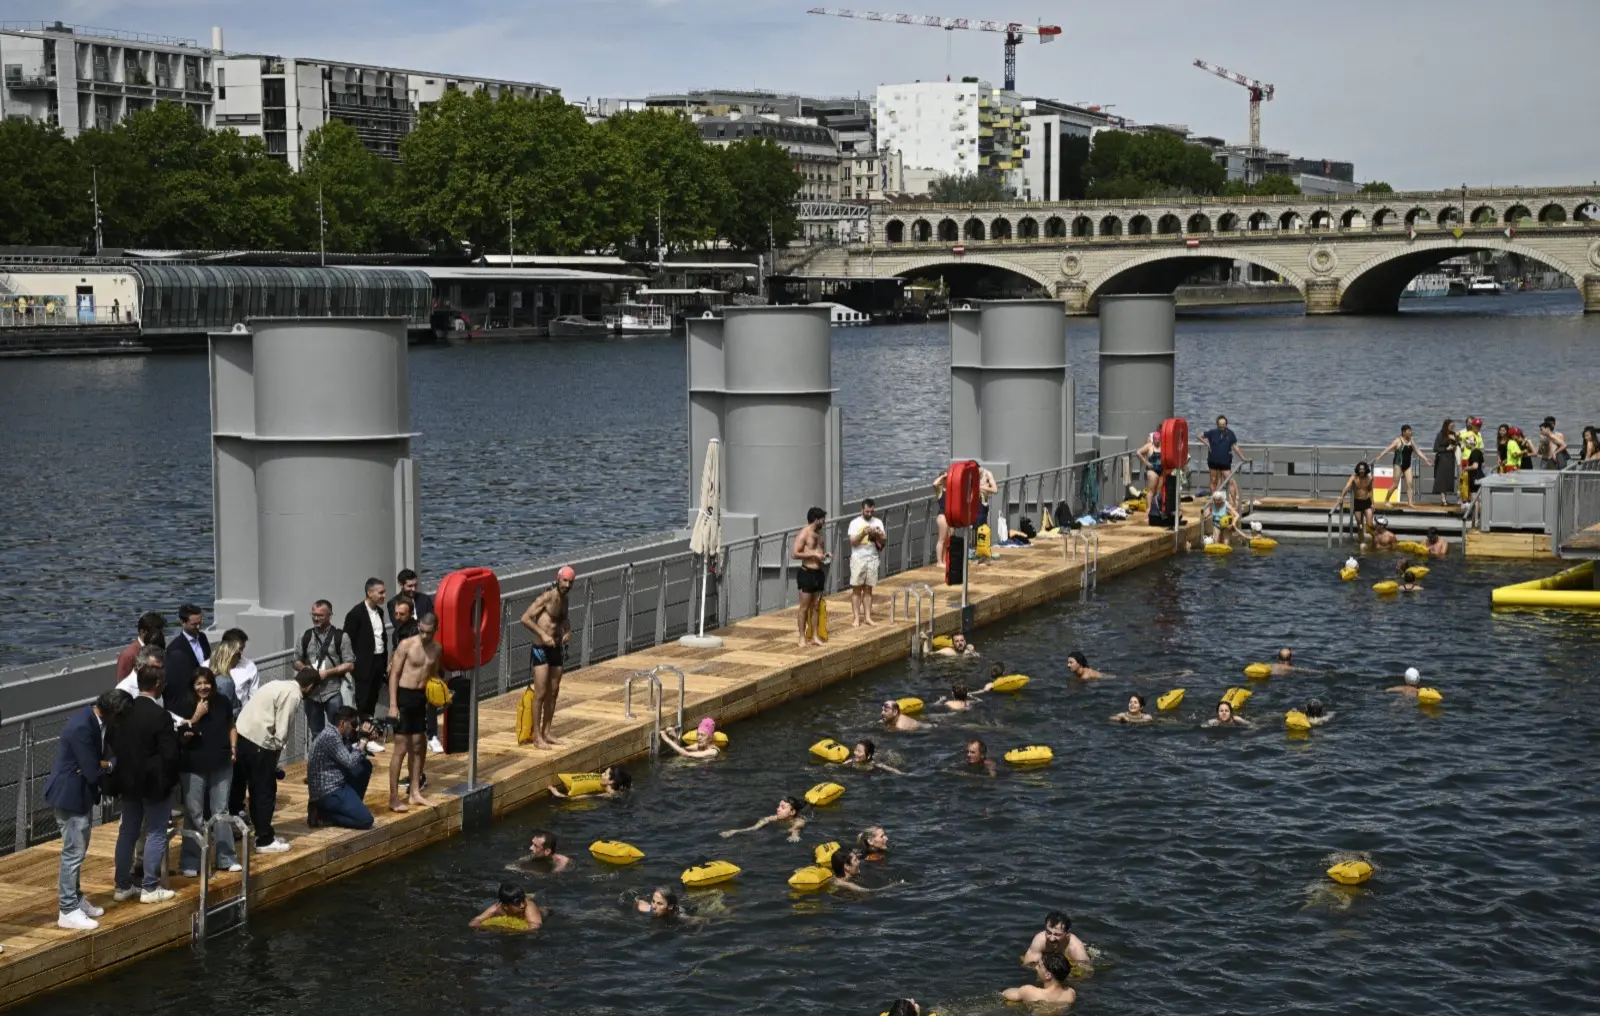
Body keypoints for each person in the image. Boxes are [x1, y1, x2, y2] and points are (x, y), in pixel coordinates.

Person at [45, 689, 131, 930]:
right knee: (73, 854)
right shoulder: (82, 726)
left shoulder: (93, 719)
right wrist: (111, 764)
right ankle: (67, 909)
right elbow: (93, 771)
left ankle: (76, 898)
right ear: (110, 712)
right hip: (70, 797)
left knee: (77, 852)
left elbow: (92, 767)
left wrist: (96, 764)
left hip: (80, 795)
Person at [110, 662, 181, 904]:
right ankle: (150, 887)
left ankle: (122, 885)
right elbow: (170, 754)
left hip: (128, 782)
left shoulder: (125, 711)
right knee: (156, 832)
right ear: (159, 685)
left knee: (127, 832)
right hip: (154, 784)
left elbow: (115, 743)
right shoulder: (160, 715)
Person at [233, 668, 319, 855]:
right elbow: (281, 731)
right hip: (260, 743)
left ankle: (262, 833)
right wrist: (274, 759)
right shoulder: (294, 695)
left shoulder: (277, 684)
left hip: (241, 737)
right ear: (310, 686)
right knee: (264, 790)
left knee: (248, 789)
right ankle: (264, 840)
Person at [177, 669, 240, 877]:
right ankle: (190, 861)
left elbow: (231, 725)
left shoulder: (222, 702)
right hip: (193, 765)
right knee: (194, 813)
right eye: (198, 683)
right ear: (193, 686)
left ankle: (226, 858)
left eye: (206, 683)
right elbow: (181, 736)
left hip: (221, 762)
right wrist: (196, 716)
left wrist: (233, 749)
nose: (203, 687)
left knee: (221, 810)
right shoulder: (184, 704)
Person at [387, 612, 440, 813]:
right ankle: (393, 797)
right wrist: (393, 705)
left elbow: (433, 676)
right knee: (401, 748)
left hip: (420, 698)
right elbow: (394, 675)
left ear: (436, 630)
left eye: (429, 632)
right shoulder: (406, 645)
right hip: (403, 697)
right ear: (419, 627)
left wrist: (441, 693)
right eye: (422, 631)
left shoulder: (437, 649)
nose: (425, 635)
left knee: (419, 746)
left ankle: (415, 792)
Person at [520, 566, 575, 749]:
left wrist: (568, 631)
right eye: (565, 581)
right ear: (558, 579)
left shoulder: (565, 600)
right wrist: (543, 634)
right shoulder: (547, 597)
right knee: (541, 693)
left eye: (570, 582)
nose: (567, 585)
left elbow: (563, 620)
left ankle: (547, 732)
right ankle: (536, 736)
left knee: (554, 691)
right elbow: (525, 618)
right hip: (541, 648)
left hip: (557, 648)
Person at [295, 599, 357, 742]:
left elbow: (350, 664)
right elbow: (296, 660)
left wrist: (327, 673)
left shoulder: (341, 636)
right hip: (311, 693)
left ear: (330, 615)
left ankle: (338, 760)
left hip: (333, 691)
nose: (316, 618)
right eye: (314, 614)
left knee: (338, 731)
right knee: (316, 733)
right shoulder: (305, 636)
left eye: (320, 615)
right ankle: (319, 762)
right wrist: (305, 669)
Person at [305, 706, 375, 830]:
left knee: (364, 766)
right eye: (352, 724)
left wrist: (365, 739)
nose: (354, 728)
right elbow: (349, 762)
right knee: (366, 820)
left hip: (336, 785)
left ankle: (350, 808)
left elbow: (352, 754)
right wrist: (363, 740)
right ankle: (325, 816)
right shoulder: (330, 737)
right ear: (343, 723)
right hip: (329, 792)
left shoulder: (335, 734)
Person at [343, 578, 393, 723]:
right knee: (363, 702)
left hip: (378, 663)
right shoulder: (356, 613)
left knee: (373, 699)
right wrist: (354, 664)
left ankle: (369, 732)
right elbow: (347, 641)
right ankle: (361, 736)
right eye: (381, 592)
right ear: (369, 593)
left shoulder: (380, 612)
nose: (384, 595)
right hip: (363, 666)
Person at [163, 603, 212, 721]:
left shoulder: (203, 638)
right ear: (182, 622)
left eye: (200, 623)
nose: (198, 627)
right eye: (194, 624)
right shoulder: (175, 648)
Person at [791, 507, 829, 648]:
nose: (824, 522)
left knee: (816, 606)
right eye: (822, 519)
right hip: (806, 573)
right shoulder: (804, 533)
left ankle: (814, 636)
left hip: (818, 573)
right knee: (804, 607)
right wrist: (813, 554)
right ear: (816, 519)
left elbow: (818, 553)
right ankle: (802, 637)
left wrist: (823, 556)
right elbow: (795, 553)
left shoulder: (819, 535)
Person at [847, 498, 887, 627]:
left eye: (871, 511)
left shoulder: (878, 522)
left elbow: (884, 541)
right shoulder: (855, 523)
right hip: (859, 558)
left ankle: (868, 617)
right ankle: (856, 618)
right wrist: (863, 533)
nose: (869, 514)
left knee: (869, 589)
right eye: (867, 511)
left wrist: (878, 534)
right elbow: (853, 542)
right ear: (862, 510)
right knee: (857, 589)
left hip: (873, 558)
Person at [1375, 425, 1431, 507]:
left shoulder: (1411, 440)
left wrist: (1425, 459)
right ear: (1403, 432)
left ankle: (1410, 502)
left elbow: (1417, 450)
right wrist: (1380, 455)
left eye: (1411, 431)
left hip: (1407, 465)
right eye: (1408, 431)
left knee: (1410, 484)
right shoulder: (1398, 440)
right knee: (1395, 485)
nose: (1410, 432)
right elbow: (1389, 448)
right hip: (1398, 464)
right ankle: (1386, 501)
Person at [208, 628, 257, 717]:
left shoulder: (249, 666)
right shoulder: (207, 666)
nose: (241, 653)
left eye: (243, 648)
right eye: (239, 650)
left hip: (242, 717)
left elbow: (254, 695)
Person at [1202, 414, 1249, 503]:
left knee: (1230, 481)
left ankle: (1234, 502)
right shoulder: (1212, 432)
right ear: (1217, 424)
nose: (1222, 426)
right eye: (1220, 425)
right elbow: (1200, 436)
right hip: (1213, 461)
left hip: (1225, 462)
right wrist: (1207, 443)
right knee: (1213, 481)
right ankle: (1213, 501)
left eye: (1223, 424)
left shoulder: (1230, 434)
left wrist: (1243, 457)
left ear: (1226, 424)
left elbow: (1235, 447)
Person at [1023, 910, 1094, 969]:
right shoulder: (1040, 940)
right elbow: (1028, 964)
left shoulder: (1075, 948)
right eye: (1048, 932)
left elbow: (1086, 974)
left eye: (1057, 934)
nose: (1051, 938)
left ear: (1067, 933)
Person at [720, 796, 806, 841]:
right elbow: (754, 828)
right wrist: (735, 831)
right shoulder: (774, 818)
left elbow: (795, 828)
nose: (778, 809)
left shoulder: (799, 821)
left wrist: (794, 835)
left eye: (782, 807)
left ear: (792, 812)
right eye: (778, 806)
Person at [1003, 953, 1077, 1005]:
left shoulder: (1029, 991)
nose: (1036, 968)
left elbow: (1005, 994)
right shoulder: (1071, 994)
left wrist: (1020, 992)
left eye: (1039, 966)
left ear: (1048, 975)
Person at [469, 882, 543, 931]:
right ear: (505, 906)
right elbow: (473, 923)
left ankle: (527, 896)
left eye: (523, 901)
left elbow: (535, 926)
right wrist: (493, 928)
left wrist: (511, 930)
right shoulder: (496, 909)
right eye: (517, 903)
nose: (522, 905)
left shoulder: (529, 907)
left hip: (542, 911)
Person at [116, 611, 165, 682]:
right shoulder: (128, 655)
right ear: (142, 632)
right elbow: (122, 683)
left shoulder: (159, 648)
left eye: (161, 632)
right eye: (155, 632)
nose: (159, 635)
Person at [548, 764, 632, 799]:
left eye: (605, 774)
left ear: (611, 782)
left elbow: (576, 798)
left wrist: (557, 794)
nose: (601, 774)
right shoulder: (620, 792)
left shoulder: (607, 795)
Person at [1339, 461, 1377, 537]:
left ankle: (1375, 537)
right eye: (1360, 469)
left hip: (1367, 502)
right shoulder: (1354, 477)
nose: (1361, 471)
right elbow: (1347, 487)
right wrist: (1342, 496)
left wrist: (1373, 503)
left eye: (1363, 469)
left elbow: (1370, 490)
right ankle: (1361, 540)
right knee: (1359, 524)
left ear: (1366, 470)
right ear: (1357, 470)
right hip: (1357, 502)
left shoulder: (1370, 478)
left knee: (1370, 524)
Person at [659, 717, 723, 759]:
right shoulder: (698, 746)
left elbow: (686, 753)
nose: (699, 738)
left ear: (710, 738)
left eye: (702, 735)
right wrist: (674, 736)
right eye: (698, 734)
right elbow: (680, 749)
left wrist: (667, 739)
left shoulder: (712, 752)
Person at [1458, 417, 1485, 502]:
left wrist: (1482, 460)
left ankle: (1471, 499)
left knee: (1474, 480)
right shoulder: (1468, 434)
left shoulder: (1479, 435)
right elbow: (1471, 446)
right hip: (1468, 459)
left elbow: (1480, 449)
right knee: (1465, 480)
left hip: (1476, 459)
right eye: (1476, 426)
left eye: (1479, 426)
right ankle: (1464, 499)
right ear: (1472, 426)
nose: (1478, 427)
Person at [1431, 419, 1458, 506]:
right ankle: (1443, 499)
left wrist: (1455, 442)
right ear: (1446, 426)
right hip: (1442, 459)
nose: (1452, 428)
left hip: (1450, 459)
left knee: (1448, 479)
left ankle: (1445, 498)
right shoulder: (1440, 435)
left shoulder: (1453, 434)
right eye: (1450, 426)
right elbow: (1435, 448)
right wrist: (1446, 449)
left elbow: (1457, 445)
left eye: (1453, 426)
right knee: (1442, 479)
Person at [1136, 430, 1163, 503]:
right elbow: (1138, 452)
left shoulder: (1163, 446)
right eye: (1156, 440)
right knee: (1151, 490)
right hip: (1152, 470)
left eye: (1159, 440)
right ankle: (1149, 508)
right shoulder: (1149, 446)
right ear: (1153, 439)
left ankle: (1156, 508)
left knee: (1158, 491)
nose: (1157, 441)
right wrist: (1146, 462)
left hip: (1161, 470)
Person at [933, 469, 952, 568]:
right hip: (943, 515)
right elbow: (935, 484)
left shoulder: (952, 489)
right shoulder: (940, 490)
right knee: (942, 539)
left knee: (949, 539)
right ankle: (939, 561)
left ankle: (945, 560)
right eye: (945, 478)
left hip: (950, 515)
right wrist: (942, 476)